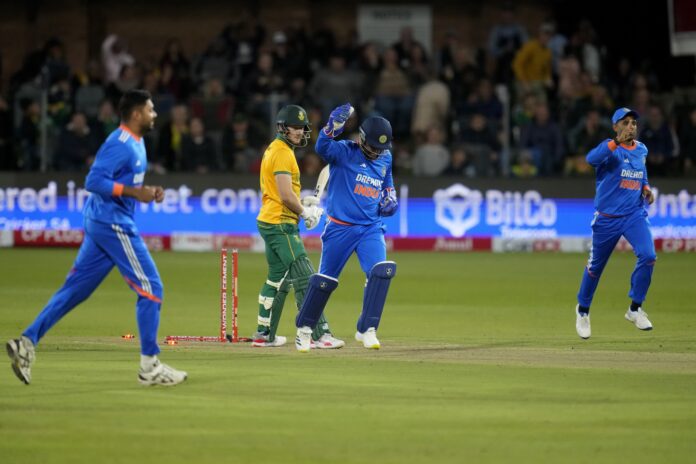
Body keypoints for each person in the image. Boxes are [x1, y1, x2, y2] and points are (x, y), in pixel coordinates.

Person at [6, 89, 187, 386]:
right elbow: (93, 181)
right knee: (151, 288)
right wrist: (132, 193)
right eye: (151, 110)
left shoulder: (137, 144)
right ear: (136, 114)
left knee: (75, 290)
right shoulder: (121, 142)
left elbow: (124, 183)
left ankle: (26, 343)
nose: (155, 114)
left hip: (102, 221)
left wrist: (146, 192)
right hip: (112, 222)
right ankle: (150, 367)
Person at [294, 104, 398, 352]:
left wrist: (390, 199)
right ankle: (305, 329)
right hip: (340, 228)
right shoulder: (344, 152)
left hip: (370, 228)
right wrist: (331, 128)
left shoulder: (385, 157)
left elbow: (388, 186)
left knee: (381, 272)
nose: (375, 152)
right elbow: (321, 147)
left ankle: (367, 329)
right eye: (372, 146)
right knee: (325, 282)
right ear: (361, 138)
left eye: (380, 148)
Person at [252, 104, 344, 349]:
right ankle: (319, 334)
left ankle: (264, 334)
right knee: (306, 277)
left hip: (270, 220)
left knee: (278, 279)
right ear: (282, 128)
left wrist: (304, 202)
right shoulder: (283, 152)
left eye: (303, 128)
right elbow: (284, 195)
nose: (301, 132)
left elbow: (280, 193)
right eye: (296, 128)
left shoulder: (276, 148)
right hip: (281, 224)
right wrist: (305, 213)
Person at [574, 107, 656, 339]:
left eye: (634, 123)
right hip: (607, 218)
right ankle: (583, 311)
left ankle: (635, 309)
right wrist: (614, 143)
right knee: (595, 268)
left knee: (648, 256)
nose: (631, 126)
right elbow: (591, 159)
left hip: (634, 215)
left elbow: (641, 173)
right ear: (616, 126)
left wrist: (647, 189)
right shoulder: (609, 150)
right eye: (626, 122)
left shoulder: (641, 149)